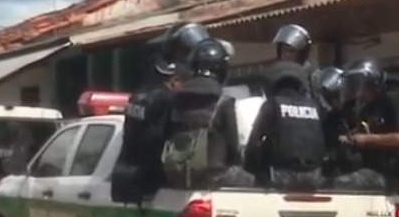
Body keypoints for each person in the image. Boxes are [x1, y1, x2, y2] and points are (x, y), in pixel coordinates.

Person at [162, 38, 250, 189]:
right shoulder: (224, 102)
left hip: (177, 175)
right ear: (222, 70)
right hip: (214, 176)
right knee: (255, 180)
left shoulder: (175, 100)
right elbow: (233, 148)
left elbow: (165, 134)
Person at [111, 60, 190, 202]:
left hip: (125, 178)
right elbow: (159, 139)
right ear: (175, 80)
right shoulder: (167, 99)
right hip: (150, 181)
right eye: (185, 85)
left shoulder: (138, 96)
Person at [243, 61, 326, 190]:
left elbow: (253, 143)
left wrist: (249, 168)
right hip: (315, 177)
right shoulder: (316, 106)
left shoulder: (272, 105)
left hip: (280, 177)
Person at [338, 57, 399, 191]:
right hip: (366, 171)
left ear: (374, 82)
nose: (356, 88)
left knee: (340, 183)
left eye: (360, 83)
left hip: (388, 175)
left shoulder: (392, 102)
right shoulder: (362, 109)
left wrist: (366, 139)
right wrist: (350, 139)